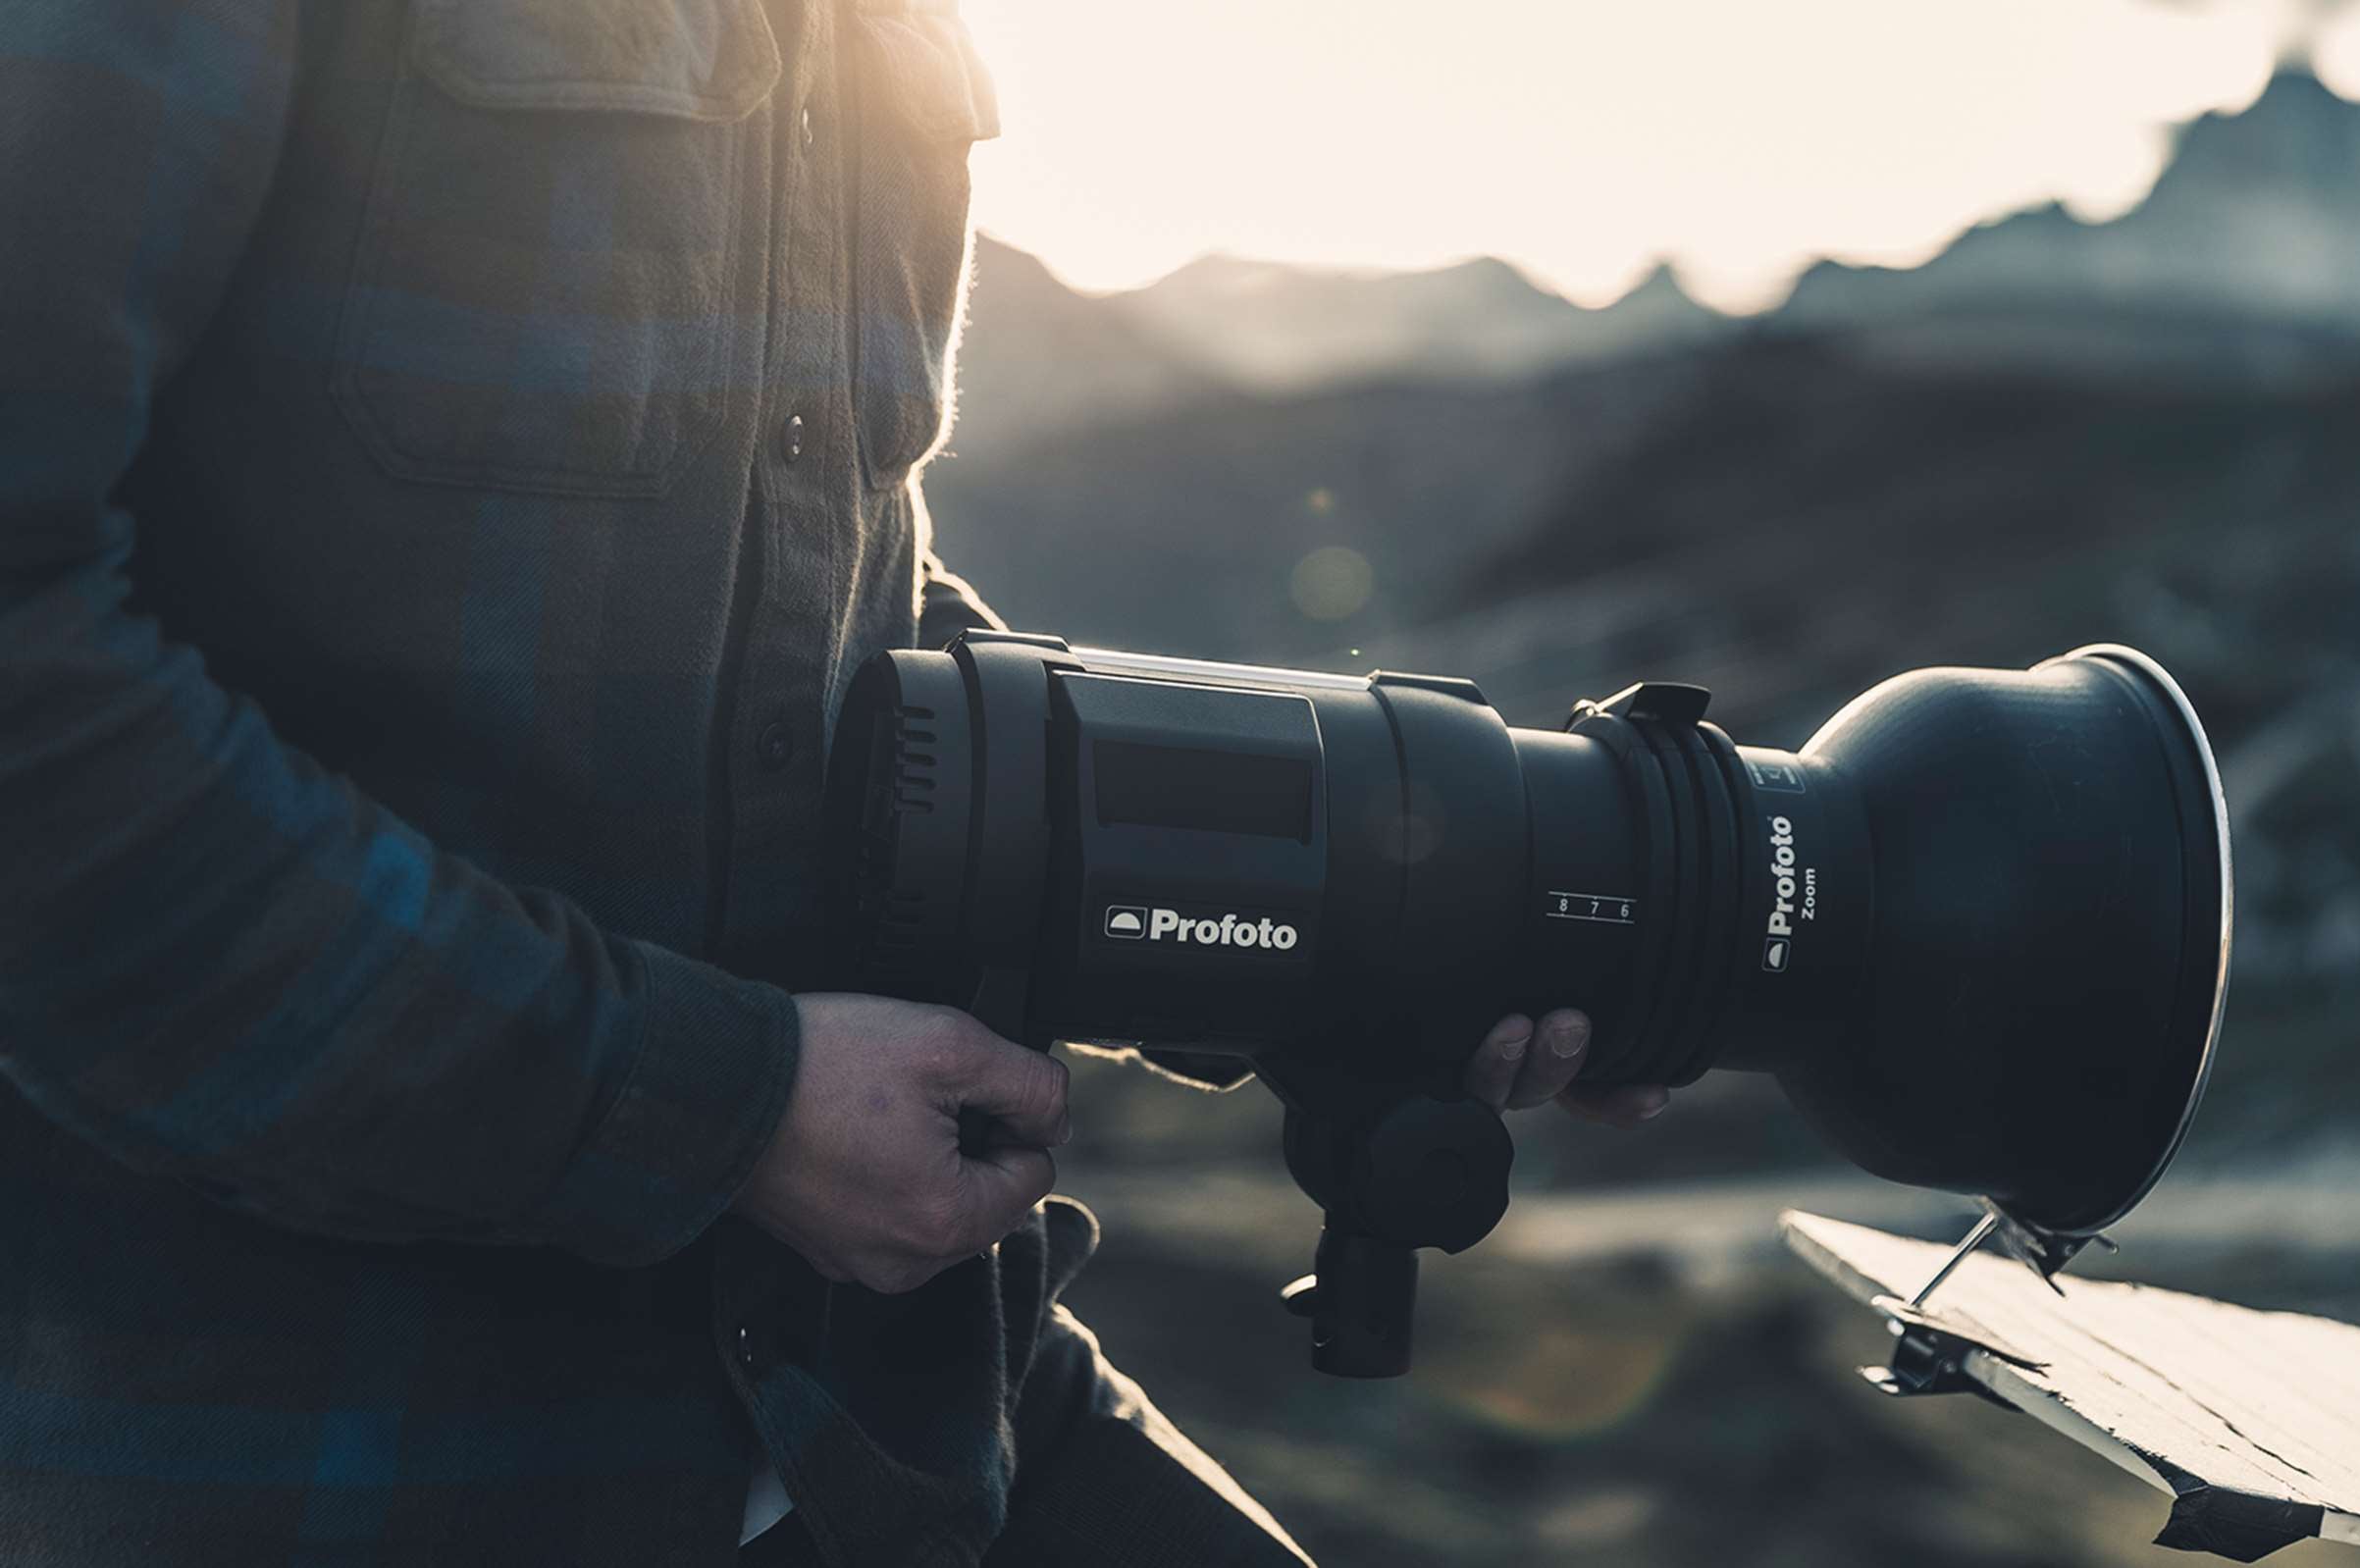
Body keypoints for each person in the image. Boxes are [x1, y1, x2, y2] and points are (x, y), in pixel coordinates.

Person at [0, 2, 1670, 1564]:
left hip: (889, 1403)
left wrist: (1380, 907)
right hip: (322, 1448)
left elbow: (832, 618)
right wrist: (720, 1110)